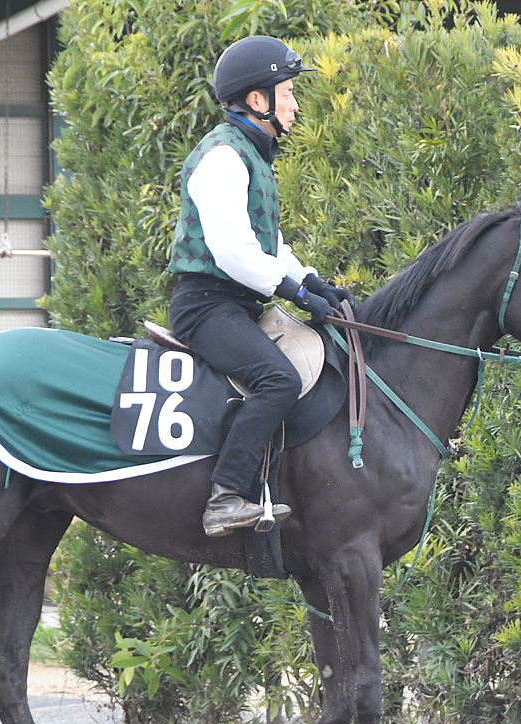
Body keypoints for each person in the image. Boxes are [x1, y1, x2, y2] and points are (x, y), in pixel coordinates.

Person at [168, 36, 354, 537]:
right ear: (258, 100)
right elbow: (232, 252)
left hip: (234, 305)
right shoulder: (224, 158)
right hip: (206, 308)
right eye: (288, 92)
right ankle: (225, 497)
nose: (294, 104)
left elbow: (268, 247)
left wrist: (312, 281)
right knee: (280, 380)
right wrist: (293, 292)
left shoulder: (252, 155)